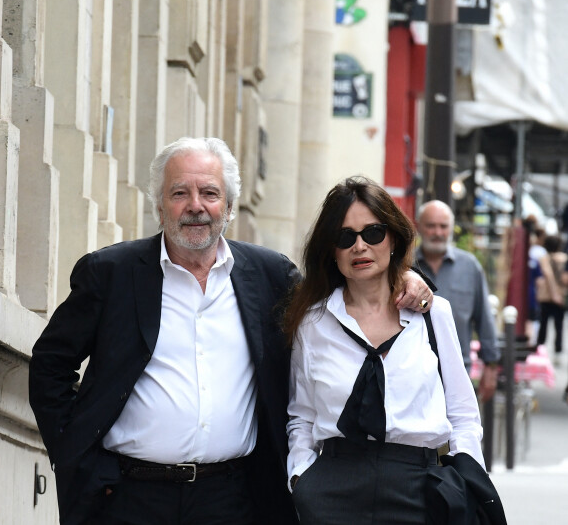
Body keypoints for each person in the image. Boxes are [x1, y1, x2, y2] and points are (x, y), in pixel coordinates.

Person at [29, 138, 433, 525]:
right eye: (179, 193)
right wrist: (77, 456)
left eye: (209, 192)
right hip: (126, 498)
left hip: (233, 500)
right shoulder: (111, 273)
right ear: (159, 204)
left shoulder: (270, 276)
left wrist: (406, 279)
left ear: (230, 206)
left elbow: (344, 294)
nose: (195, 207)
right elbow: (50, 365)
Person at [284, 177, 484, 525]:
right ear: (331, 250)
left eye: (372, 233)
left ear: (392, 238)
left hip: (420, 490)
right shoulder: (312, 323)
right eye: (345, 237)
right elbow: (302, 416)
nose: (359, 246)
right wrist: (301, 476)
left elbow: (463, 414)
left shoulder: (434, 314)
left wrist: (467, 477)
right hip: (333, 492)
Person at [415, 200, 501, 403]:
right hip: (411, 374)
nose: (437, 232)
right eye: (431, 225)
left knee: (460, 432)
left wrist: (490, 367)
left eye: (443, 226)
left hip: (458, 374)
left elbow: (484, 320)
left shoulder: (469, 266)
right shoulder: (404, 266)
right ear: (418, 226)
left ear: (451, 229)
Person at [536, 234, 567, 362]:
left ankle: (540, 350)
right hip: (561, 296)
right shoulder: (565, 258)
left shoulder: (544, 259)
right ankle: (557, 352)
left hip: (547, 296)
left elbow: (547, 276)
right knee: (559, 326)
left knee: (543, 324)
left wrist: (553, 294)